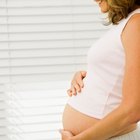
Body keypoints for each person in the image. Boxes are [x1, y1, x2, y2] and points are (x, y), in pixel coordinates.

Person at [60, 0, 140, 139]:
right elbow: (117, 71)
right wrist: (88, 76)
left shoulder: (137, 23)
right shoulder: (129, 21)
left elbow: (133, 110)